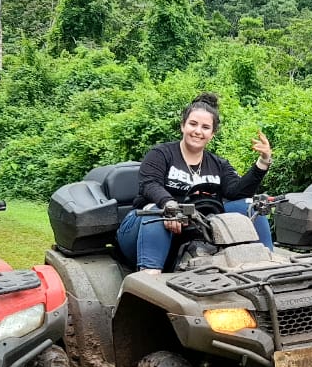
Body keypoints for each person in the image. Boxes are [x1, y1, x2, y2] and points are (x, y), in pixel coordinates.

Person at [116, 92, 274, 273]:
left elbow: (236, 192)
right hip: (144, 226)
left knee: (252, 205)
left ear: (212, 134)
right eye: (193, 124)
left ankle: (268, 267)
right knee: (157, 213)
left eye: (205, 127)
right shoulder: (161, 154)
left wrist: (263, 162)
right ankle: (149, 277)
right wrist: (169, 205)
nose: (198, 131)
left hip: (197, 227)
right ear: (183, 126)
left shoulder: (218, 164)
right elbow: (149, 184)